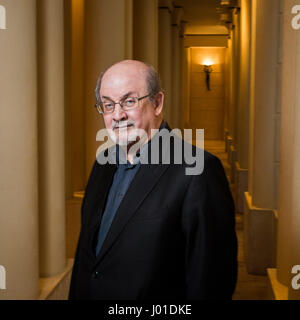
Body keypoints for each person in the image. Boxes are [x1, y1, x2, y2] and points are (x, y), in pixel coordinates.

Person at [68, 60, 238, 300]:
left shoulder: (198, 171)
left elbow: (211, 283)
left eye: (129, 101)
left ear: (157, 103)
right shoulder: (102, 164)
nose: (117, 115)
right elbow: (87, 258)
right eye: (107, 105)